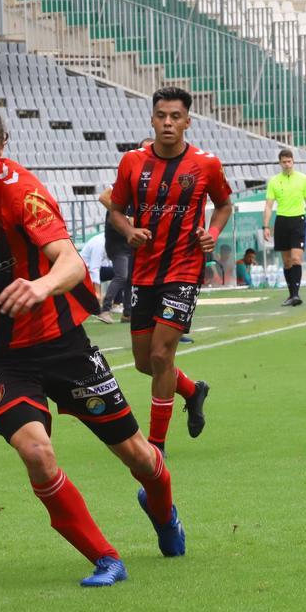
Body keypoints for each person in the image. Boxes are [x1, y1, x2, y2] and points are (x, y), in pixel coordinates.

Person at [0, 96, 185, 588]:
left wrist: (39, 286)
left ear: (3, 148)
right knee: (36, 452)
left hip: (62, 344)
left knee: (139, 456)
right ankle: (106, 558)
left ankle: (162, 509)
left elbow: (71, 262)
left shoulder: (23, 192)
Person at [110, 86, 232, 454]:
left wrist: (210, 234)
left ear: (187, 122)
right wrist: (130, 230)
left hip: (184, 268)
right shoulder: (132, 162)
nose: (168, 122)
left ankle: (156, 445)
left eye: (175, 116)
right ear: (152, 119)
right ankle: (194, 391)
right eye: (161, 116)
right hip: (144, 271)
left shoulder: (206, 164)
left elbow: (225, 205)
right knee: (145, 363)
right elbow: (116, 210)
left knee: (163, 356)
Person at [96, 137, 153, 324]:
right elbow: (104, 197)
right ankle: (104, 309)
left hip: (131, 239)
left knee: (131, 277)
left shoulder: (151, 181)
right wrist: (122, 216)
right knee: (122, 275)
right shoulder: (129, 176)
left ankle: (128, 313)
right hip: (117, 238)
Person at [263, 148, 306, 305]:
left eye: (289, 161)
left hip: (298, 221)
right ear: (280, 163)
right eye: (284, 162)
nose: (287, 164)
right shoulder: (274, 181)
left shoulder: (303, 179)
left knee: (296, 258)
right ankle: (291, 294)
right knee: (286, 261)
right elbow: (268, 205)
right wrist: (265, 226)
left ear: (293, 161)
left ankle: (296, 294)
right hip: (281, 221)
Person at [78, 230, 111, 317]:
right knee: (120, 274)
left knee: (121, 273)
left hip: (91, 270)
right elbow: (94, 269)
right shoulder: (99, 244)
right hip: (84, 271)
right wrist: (98, 292)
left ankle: (116, 304)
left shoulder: (107, 240)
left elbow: (106, 263)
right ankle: (98, 304)